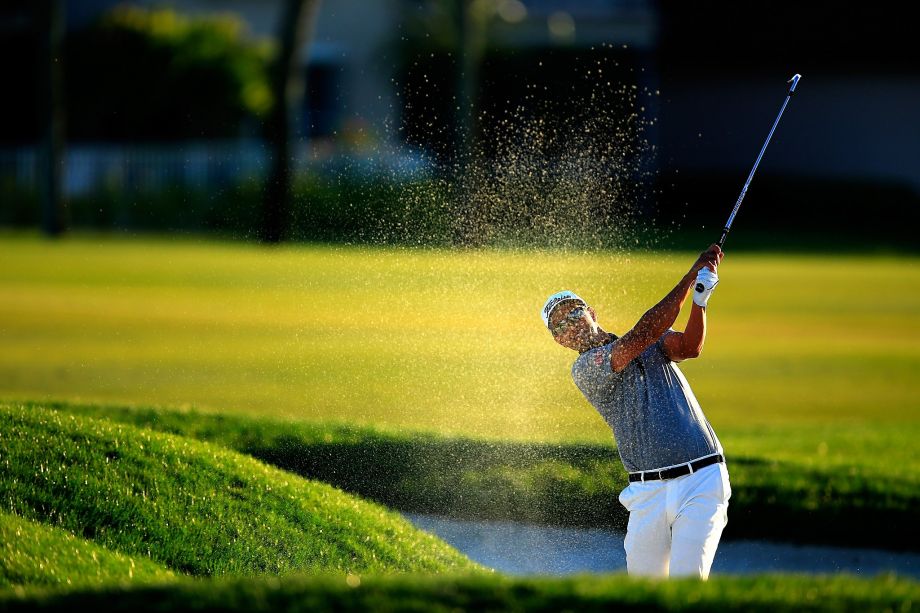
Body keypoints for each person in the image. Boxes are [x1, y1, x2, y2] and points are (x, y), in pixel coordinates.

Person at [541, 244, 729, 579]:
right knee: (645, 592)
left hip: (701, 478)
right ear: (560, 342)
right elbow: (644, 333)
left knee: (689, 583)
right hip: (647, 494)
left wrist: (700, 301)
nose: (570, 326)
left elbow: (689, 347)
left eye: (573, 313)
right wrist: (689, 277)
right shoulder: (585, 368)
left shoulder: (648, 342)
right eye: (559, 327)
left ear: (591, 312)